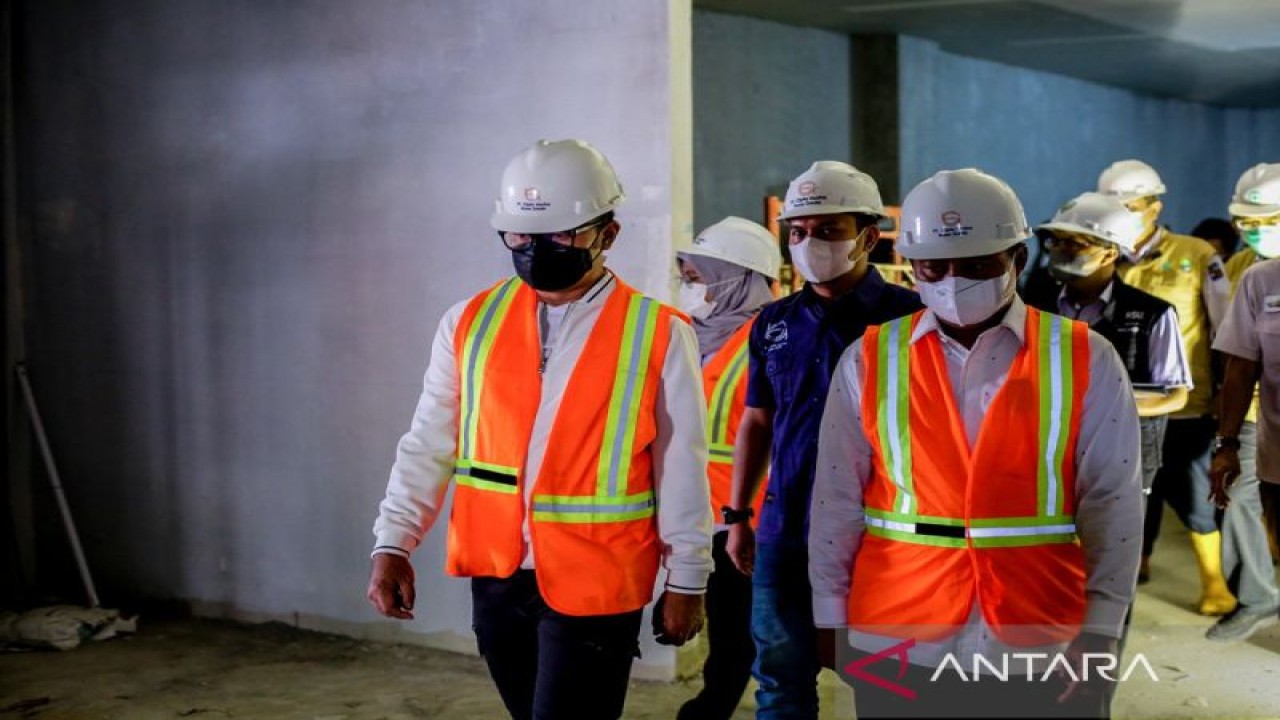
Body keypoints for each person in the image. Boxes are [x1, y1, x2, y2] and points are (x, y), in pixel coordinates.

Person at [366, 139, 713, 720]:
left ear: (608, 234)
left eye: (560, 236)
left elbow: (681, 465)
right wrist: (393, 540)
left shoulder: (658, 333)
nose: (536, 251)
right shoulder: (469, 322)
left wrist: (689, 577)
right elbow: (429, 441)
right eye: (522, 238)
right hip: (498, 579)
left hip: (599, 580)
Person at [811, 169, 1143, 719]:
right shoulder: (869, 359)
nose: (952, 282)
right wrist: (830, 615)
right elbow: (836, 500)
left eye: (977, 266)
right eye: (933, 268)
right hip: (895, 631)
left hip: (1038, 631)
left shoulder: (1086, 356)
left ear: (1016, 257)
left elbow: (1114, 503)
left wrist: (1104, 628)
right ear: (911, 265)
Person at [723, 161, 921, 718]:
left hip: (879, 536)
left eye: (829, 231)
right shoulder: (774, 323)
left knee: (886, 684)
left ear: (868, 237)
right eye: (799, 232)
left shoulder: (909, 322)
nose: (810, 243)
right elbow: (758, 421)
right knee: (780, 682)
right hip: (785, 533)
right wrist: (738, 516)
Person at [1098, 159, 1234, 612]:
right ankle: (1137, 564)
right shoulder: (1101, 252)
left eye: (1130, 204)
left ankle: (1214, 584)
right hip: (1115, 404)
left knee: (1191, 492)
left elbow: (1224, 329)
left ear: (1154, 207)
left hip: (1184, 403)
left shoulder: (1196, 254)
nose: (1121, 213)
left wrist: (1223, 390)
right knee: (1128, 493)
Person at [674, 216, 782, 720]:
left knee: (744, 625)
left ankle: (718, 702)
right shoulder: (688, 336)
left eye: (698, 277)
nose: (689, 288)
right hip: (696, 512)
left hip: (749, 520)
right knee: (721, 618)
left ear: (735, 279)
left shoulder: (770, 342)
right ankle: (715, 699)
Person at [1025, 192, 1193, 494]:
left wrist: (1101, 410)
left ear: (1110, 253)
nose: (1060, 250)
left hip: (1125, 462)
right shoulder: (1034, 308)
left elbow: (1175, 395)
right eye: (1056, 241)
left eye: (1075, 243)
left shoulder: (1153, 314)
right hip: (1048, 458)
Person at [1205, 163, 1280, 643]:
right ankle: (1257, 598)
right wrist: (1225, 438)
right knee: (1237, 503)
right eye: (1248, 224)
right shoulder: (1249, 275)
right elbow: (1239, 363)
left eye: (1270, 220)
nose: (1258, 233)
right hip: (1262, 425)